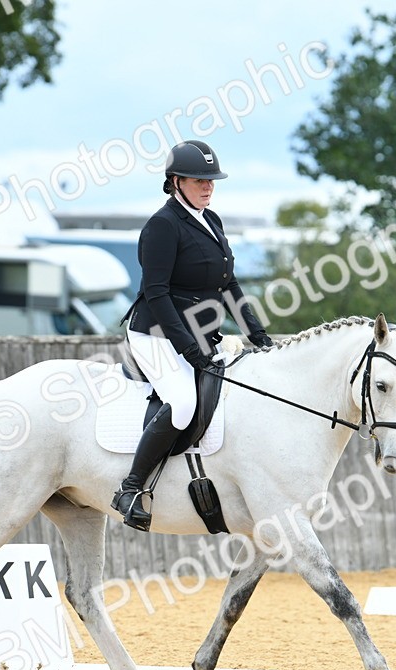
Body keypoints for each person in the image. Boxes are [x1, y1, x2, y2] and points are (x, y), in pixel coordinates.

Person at [111, 139, 273, 531]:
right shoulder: (162, 226)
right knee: (182, 402)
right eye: (199, 180)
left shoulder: (211, 220)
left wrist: (258, 335)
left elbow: (228, 284)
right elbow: (157, 292)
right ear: (176, 181)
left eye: (211, 180)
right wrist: (189, 349)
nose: (208, 186)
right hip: (155, 334)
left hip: (199, 333)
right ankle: (132, 489)